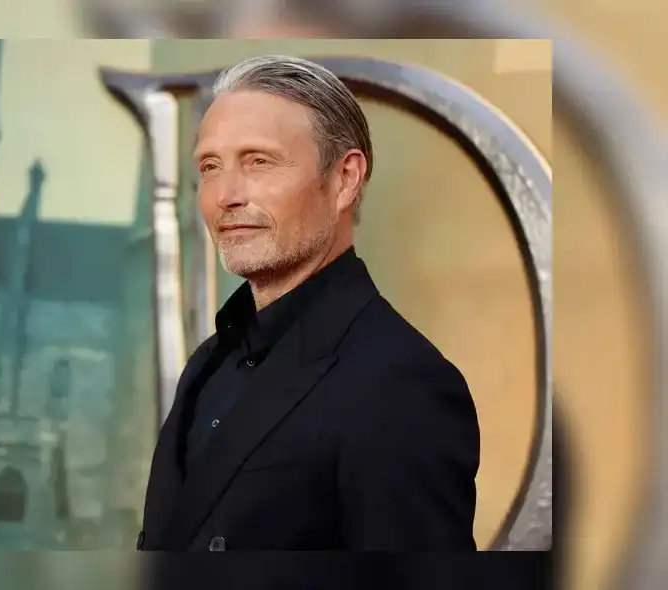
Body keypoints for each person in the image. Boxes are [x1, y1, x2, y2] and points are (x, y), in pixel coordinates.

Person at [136, 55, 480, 552]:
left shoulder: (403, 384)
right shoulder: (209, 362)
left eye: (259, 161)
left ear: (344, 180)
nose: (226, 195)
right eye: (210, 167)